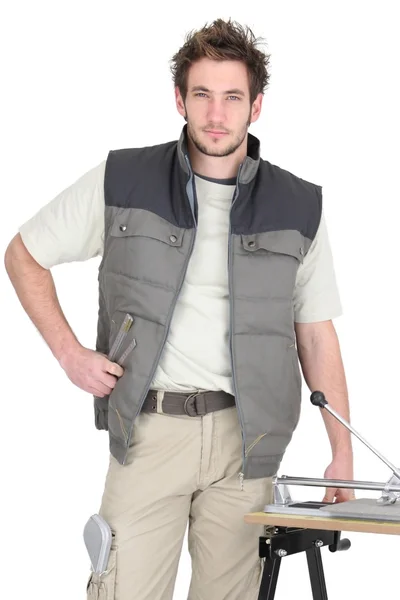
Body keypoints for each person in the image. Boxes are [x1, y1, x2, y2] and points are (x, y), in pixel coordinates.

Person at [4, 17, 354, 600]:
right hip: (149, 433)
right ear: (180, 100)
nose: (216, 114)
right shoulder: (124, 180)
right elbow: (23, 255)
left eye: (232, 97)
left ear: (256, 107)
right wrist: (69, 354)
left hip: (249, 445)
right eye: (202, 95)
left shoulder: (298, 206)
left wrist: (341, 449)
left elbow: (316, 333)